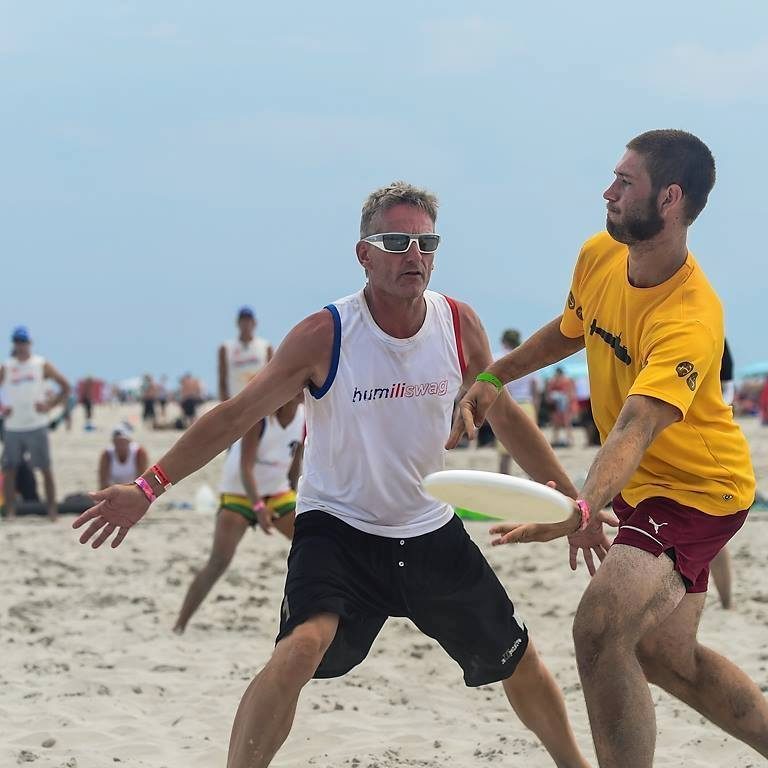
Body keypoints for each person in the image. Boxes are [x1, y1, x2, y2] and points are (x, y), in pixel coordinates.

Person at [75, 181, 591, 768]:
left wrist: (574, 504)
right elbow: (236, 415)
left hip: (426, 526)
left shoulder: (457, 323)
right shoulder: (326, 334)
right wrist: (148, 487)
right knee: (300, 648)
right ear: (363, 254)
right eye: (396, 242)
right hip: (339, 526)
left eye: (426, 243)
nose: (414, 255)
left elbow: (508, 417)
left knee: (517, 657)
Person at [450, 130, 768, 767]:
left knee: (599, 629)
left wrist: (582, 508)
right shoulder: (600, 255)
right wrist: (495, 376)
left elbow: (635, 427)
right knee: (667, 658)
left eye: (625, 183)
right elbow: (573, 328)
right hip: (643, 484)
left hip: (695, 492)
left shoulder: (690, 316)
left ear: (670, 198)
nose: (608, 192)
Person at [173, 394, 305, 634]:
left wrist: (295, 494)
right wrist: (259, 508)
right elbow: (246, 467)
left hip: (276, 491)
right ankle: (180, 624)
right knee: (219, 561)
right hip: (239, 492)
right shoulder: (261, 417)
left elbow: (296, 460)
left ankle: (305, 619)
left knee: (308, 545)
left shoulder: (304, 417)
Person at [0, 326, 70, 520]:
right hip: (13, 426)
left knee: (45, 468)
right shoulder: (7, 366)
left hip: (37, 425)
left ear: (30, 343)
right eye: (17, 341)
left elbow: (65, 386)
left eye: (23, 341)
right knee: (9, 469)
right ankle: (10, 512)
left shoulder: (40, 364)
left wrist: (49, 405)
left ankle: (52, 511)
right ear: (13, 343)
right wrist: (3, 408)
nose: (21, 345)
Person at [710, 338, 736, 609]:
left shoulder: (711, 331)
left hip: (708, 437)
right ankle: (727, 602)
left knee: (712, 528)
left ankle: (727, 602)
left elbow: (727, 384)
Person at [496, 329, 540, 474]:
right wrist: (536, 408)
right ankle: (532, 480)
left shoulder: (498, 358)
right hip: (526, 404)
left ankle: (503, 480)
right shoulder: (529, 357)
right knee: (531, 449)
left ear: (504, 341)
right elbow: (535, 388)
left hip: (507, 404)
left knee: (505, 451)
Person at [218, 306, 273, 402]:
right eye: (243, 321)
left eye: (249, 321)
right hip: (235, 401)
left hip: (259, 401)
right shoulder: (226, 348)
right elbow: (222, 380)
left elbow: (271, 377)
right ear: (237, 323)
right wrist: (224, 403)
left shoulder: (266, 347)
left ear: (254, 323)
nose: (246, 324)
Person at [98, 423, 149, 489]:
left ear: (129, 441)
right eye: (117, 442)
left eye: (122, 442)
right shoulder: (106, 455)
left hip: (134, 490)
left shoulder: (139, 453)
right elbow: (103, 483)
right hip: (114, 490)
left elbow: (143, 481)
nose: (120, 445)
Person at [545, 367, 577, 447]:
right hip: (560, 405)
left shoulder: (558, 381)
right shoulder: (562, 381)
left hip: (563, 405)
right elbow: (571, 394)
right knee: (561, 424)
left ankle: (567, 440)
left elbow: (548, 395)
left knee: (564, 423)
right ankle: (562, 439)